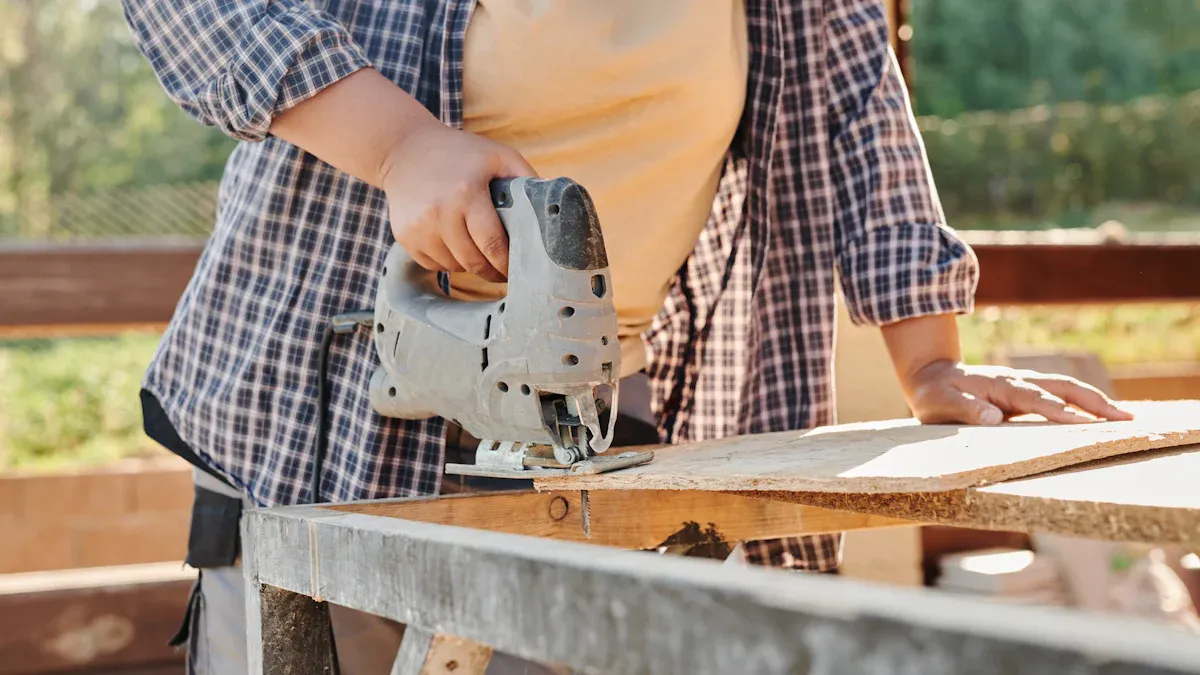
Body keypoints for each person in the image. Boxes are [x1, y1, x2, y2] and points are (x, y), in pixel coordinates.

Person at [119, 0, 1134, 673]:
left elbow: (861, 121)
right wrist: (400, 147)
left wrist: (935, 362)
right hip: (318, 402)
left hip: (594, 423)